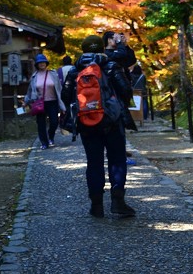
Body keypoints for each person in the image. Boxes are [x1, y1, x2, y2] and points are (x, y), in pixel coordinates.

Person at [61, 35, 136, 218]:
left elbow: (65, 96)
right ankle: (118, 202)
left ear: (83, 49)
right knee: (117, 160)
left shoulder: (75, 70)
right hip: (112, 121)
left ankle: (96, 205)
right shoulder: (111, 66)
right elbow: (126, 92)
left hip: (87, 122)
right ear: (102, 48)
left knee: (94, 162)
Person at [24, 53, 65, 150]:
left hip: (53, 101)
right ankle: (44, 143)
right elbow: (30, 91)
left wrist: (63, 104)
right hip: (39, 103)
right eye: (39, 63)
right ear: (37, 65)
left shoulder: (53, 74)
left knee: (54, 122)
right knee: (41, 123)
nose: (42, 64)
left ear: (46, 63)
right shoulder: (34, 77)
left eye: (43, 62)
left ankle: (51, 136)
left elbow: (60, 89)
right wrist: (26, 101)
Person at [102, 31, 138, 132]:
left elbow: (131, 60)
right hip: (112, 90)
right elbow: (120, 54)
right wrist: (119, 43)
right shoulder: (106, 54)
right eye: (115, 38)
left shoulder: (120, 51)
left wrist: (125, 45)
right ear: (109, 40)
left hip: (123, 88)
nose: (118, 41)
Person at [57, 55, 76, 132]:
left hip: (63, 91)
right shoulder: (74, 68)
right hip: (73, 91)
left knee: (64, 108)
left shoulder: (60, 70)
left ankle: (64, 123)